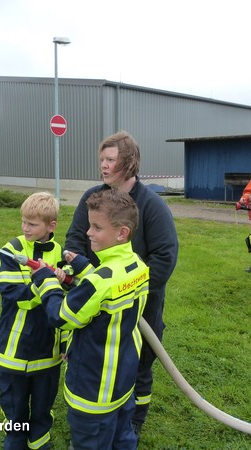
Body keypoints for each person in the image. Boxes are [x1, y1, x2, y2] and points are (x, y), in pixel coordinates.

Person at [64, 130, 178, 437]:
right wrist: (86, 277)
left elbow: (165, 257)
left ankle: (133, 421)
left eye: (110, 159)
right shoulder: (93, 199)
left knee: (137, 363)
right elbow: (75, 237)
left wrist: (131, 288)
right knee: (98, 359)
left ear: (128, 162)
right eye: (102, 158)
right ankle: (99, 416)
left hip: (139, 307)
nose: (103, 165)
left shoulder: (152, 206)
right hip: (95, 303)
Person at [32, 189, 149, 450]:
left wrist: (46, 281)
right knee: (123, 439)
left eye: (97, 227)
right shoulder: (138, 265)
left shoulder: (99, 282)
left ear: (122, 233)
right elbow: (109, 290)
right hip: (123, 383)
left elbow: (61, 316)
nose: (88, 233)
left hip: (92, 391)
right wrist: (85, 266)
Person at [0, 192, 66, 450]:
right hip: (15, 346)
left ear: (51, 226)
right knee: (14, 401)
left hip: (48, 348)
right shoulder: (12, 249)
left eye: (32, 224)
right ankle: (15, 437)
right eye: (23, 221)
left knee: (44, 400)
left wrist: (62, 278)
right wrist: (46, 281)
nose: (25, 228)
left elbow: (66, 300)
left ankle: (39, 439)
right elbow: (15, 295)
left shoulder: (59, 252)